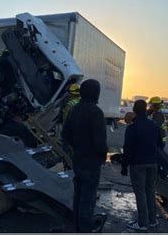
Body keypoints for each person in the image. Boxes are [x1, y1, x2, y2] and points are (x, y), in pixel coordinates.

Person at [62, 79, 108, 232]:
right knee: (88, 200)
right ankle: (85, 230)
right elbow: (100, 142)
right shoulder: (96, 112)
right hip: (92, 162)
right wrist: (103, 154)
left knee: (78, 196)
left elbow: (65, 135)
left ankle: (77, 228)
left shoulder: (74, 110)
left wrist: (74, 149)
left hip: (78, 160)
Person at [121, 100, 163, 231]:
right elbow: (160, 144)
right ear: (146, 110)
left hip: (138, 164)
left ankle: (142, 223)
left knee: (140, 194)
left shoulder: (132, 128)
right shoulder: (154, 125)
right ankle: (153, 220)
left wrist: (124, 166)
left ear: (134, 110)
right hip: (152, 163)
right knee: (150, 191)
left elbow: (127, 149)